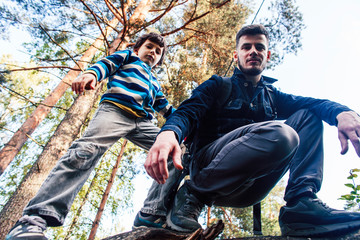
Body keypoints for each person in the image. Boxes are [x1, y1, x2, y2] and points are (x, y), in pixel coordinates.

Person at [142, 24, 360, 238]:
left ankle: (301, 207)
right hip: (206, 172)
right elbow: (187, 112)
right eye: (246, 47)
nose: (253, 51)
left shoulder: (273, 97)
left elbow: (313, 103)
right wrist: (168, 133)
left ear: (267, 55)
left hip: (251, 189)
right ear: (236, 55)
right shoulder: (218, 85)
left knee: (308, 116)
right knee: (282, 134)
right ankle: (191, 196)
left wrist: (342, 113)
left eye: (259, 47)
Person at [6, 32, 175, 240]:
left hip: (142, 122)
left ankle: (151, 213)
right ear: (138, 48)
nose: (153, 52)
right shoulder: (128, 57)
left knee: (176, 153)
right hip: (116, 109)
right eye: (149, 47)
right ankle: (32, 221)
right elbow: (106, 64)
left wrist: (185, 127)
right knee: (84, 152)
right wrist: (92, 74)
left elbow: (166, 109)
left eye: (158, 52)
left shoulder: (154, 82)